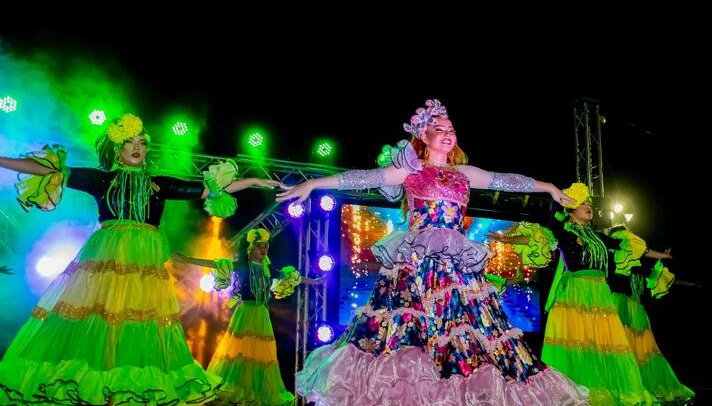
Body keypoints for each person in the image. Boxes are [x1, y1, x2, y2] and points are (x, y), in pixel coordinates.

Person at [279, 99, 588, 405]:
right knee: (411, 331)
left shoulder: (463, 172)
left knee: (466, 331)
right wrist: (315, 184)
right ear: (423, 137)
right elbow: (365, 177)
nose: (447, 133)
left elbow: (505, 180)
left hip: (457, 266)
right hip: (416, 266)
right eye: (438, 128)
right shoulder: (409, 170)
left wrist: (548, 186)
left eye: (451, 128)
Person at [0, 113, 281, 405]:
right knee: (99, 322)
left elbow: (212, 188)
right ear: (118, 149)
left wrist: (253, 181)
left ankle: (121, 388)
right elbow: (45, 169)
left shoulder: (159, 184)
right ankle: (97, 386)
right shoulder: (102, 179)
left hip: (144, 269)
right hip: (106, 258)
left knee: (136, 326)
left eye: (142, 142)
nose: (137, 147)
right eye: (129, 142)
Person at [512, 183, 655, 406]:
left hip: (599, 294)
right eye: (583, 203)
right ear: (571, 209)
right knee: (579, 341)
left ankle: (602, 387)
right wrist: (560, 201)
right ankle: (573, 391)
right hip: (577, 293)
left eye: (590, 203)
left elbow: (635, 249)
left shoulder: (598, 237)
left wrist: (660, 256)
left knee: (601, 342)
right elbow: (544, 229)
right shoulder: (564, 231)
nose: (589, 206)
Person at [174, 228, 322, 405]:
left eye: (266, 247)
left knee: (260, 355)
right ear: (251, 248)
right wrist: (188, 260)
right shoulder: (244, 266)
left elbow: (292, 277)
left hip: (261, 314)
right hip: (246, 312)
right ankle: (238, 390)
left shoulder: (268, 270)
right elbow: (215, 264)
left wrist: (314, 281)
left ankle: (254, 392)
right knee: (240, 352)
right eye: (260, 246)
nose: (264, 250)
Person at [606, 224, 695, 405]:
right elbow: (642, 252)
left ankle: (634, 386)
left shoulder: (636, 266)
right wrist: (662, 255)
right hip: (620, 306)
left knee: (636, 350)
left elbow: (651, 261)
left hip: (632, 309)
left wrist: (663, 256)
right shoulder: (611, 255)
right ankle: (624, 386)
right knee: (624, 348)